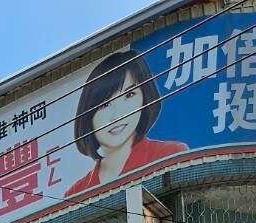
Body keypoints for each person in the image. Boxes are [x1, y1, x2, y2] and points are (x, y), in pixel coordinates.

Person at [64, 49, 187, 198]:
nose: (117, 115)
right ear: (88, 116)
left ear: (144, 98)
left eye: (129, 95)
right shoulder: (75, 194)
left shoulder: (169, 155)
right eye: (105, 104)